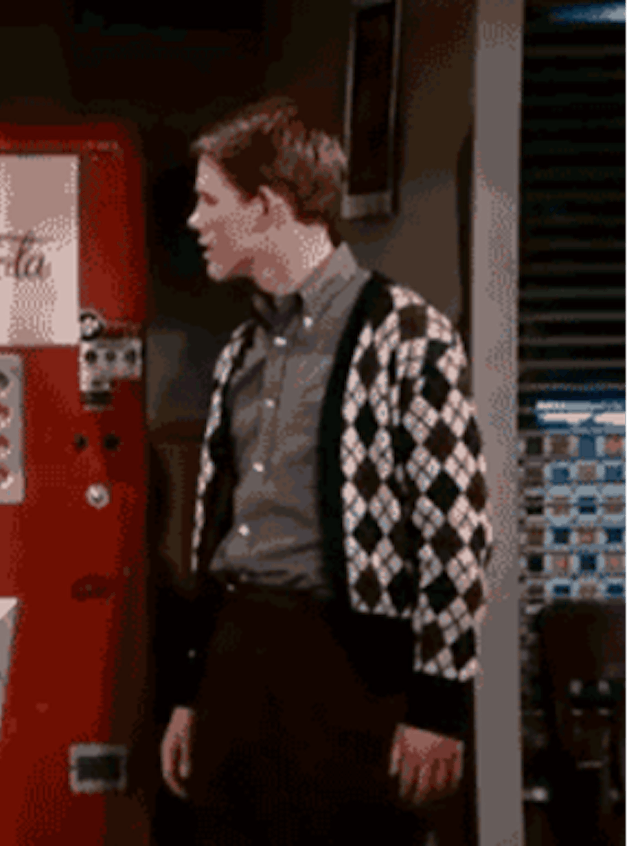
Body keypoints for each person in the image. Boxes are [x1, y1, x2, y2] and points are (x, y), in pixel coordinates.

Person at [158, 97, 492, 845]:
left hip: (347, 673)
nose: (195, 221)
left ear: (267, 207)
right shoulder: (241, 352)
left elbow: (456, 533)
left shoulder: (407, 336)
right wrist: (190, 693)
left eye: (210, 201)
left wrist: (438, 705)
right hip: (239, 655)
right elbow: (216, 534)